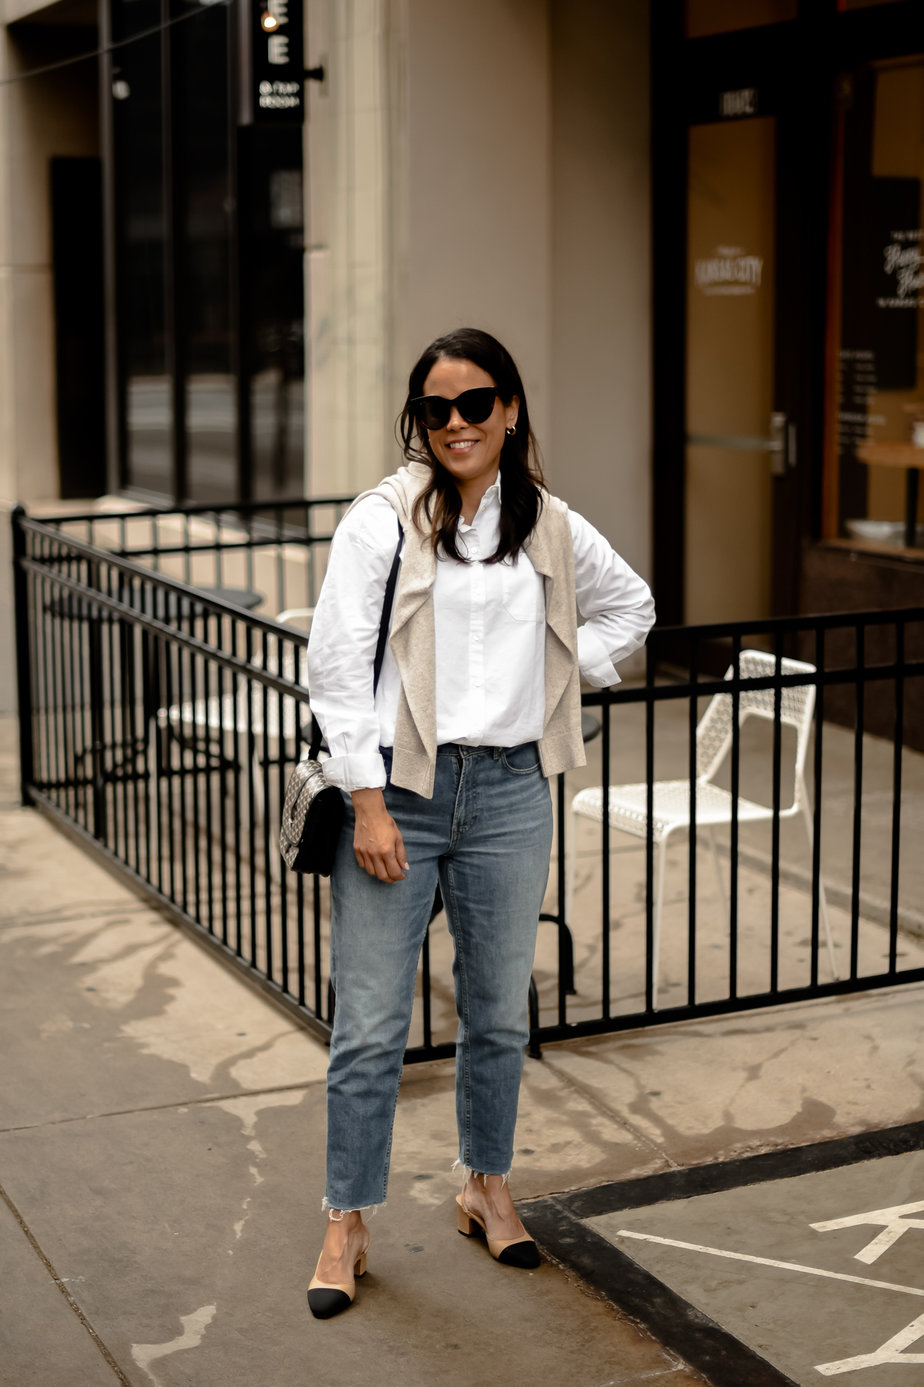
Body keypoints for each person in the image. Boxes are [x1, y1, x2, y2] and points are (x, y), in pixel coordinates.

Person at [304, 327, 655, 1318]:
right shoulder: (383, 520)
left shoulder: (546, 521)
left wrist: (558, 666)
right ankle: (347, 1216)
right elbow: (335, 669)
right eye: (436, 409)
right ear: (418, 421)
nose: (457, 423)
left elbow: (635, 609)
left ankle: (485, 1183)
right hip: (401, 793)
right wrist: (366, 800)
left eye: (476, 403)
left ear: (510, 410)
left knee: (498, 1012)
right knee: (371, 1026)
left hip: (510, 792)